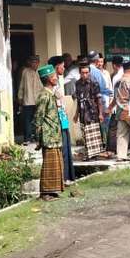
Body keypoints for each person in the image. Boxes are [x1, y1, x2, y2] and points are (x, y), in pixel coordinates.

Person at [34, 64, 64, 200]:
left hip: (55, 134)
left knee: (56, 164)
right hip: (48, 135)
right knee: (48, 165)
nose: (55, 78)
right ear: (47, 79)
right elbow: (38, 118)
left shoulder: (52, 94)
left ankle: (53, 190)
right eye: (53, 76)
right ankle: (45, 192)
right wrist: (38, 137)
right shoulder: (44, 96)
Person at [48, 55, 75, 184]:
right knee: (62, 148)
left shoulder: (58, 82)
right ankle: (63, 178)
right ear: (56, 67)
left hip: (63, 117)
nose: (64, 68)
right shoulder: (50, 85)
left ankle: (68, 176)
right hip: (57, 118)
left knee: (66, 146)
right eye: (62, 66)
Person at [74, 62, 105, 160]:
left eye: (86, 72)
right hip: (83, 112)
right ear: (80, 73)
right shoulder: (77, 83)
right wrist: (76, 114)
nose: (85, 75)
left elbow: (99, 99)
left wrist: (100, 113)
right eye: (83, 73)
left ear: (89, 73)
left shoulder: (94, 83)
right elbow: (79, 100)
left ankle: (94, 155)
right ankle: (88, 154)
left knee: (94, 134)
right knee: (85, 134)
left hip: (92, 112)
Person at [109, 59, 130, 162]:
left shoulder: (117, 81)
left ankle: (121, 155)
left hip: (120, 112)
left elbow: (115, 98)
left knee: (121, 135)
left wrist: (110, 108)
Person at [17, 55, 41, 143]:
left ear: (38, 63)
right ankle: (27, 138)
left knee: (38, 120)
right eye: (32, 62)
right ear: (30, 63)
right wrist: (20, 97)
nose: (34, 64)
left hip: (38, 101)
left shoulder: (40, 72)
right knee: (27, 120)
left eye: (36, 62)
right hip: (28, 101)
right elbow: (22, 85)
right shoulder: (25, 72)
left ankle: (37, 137)